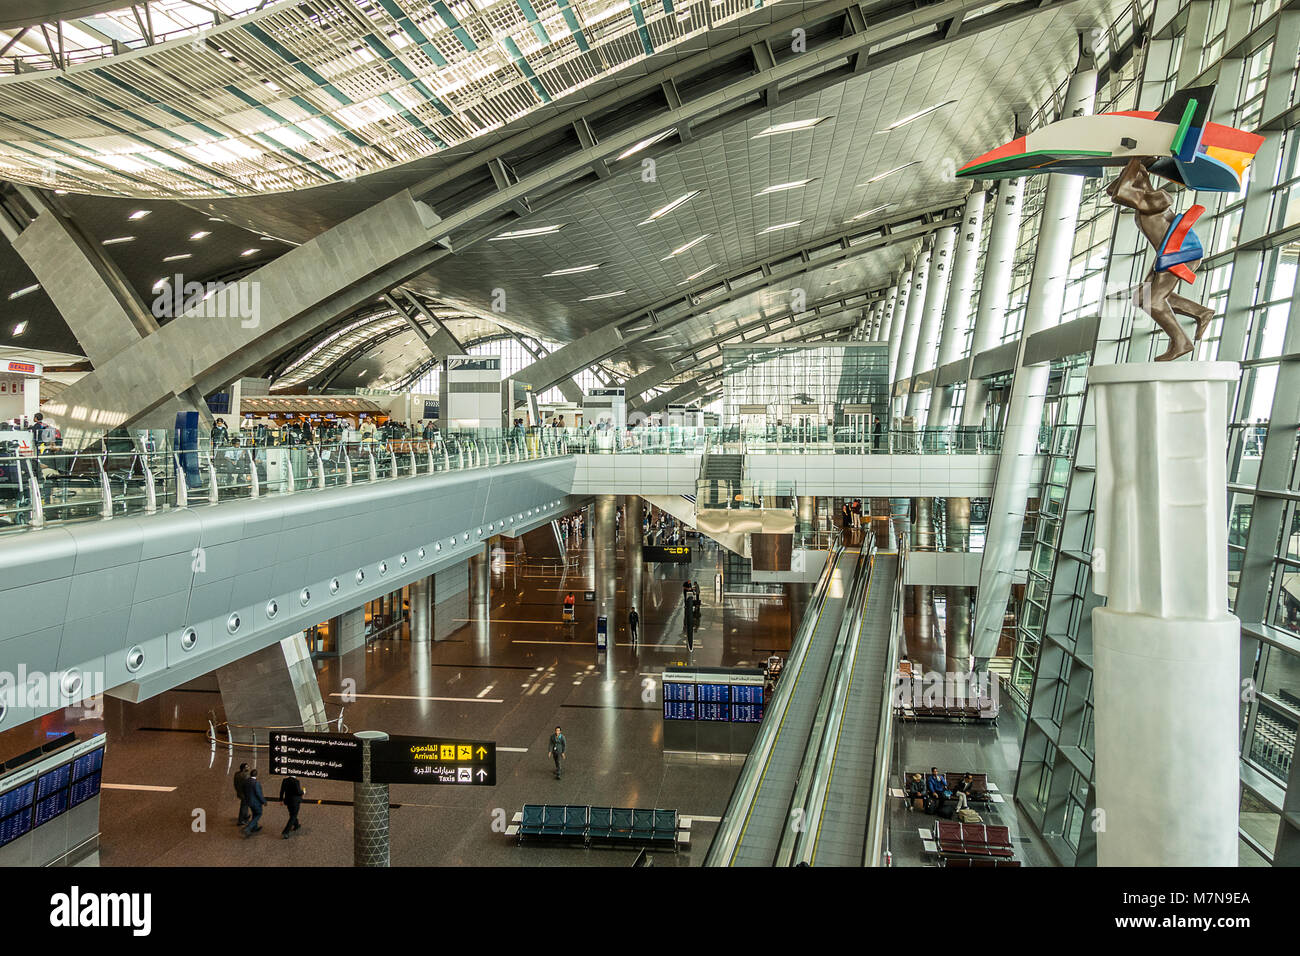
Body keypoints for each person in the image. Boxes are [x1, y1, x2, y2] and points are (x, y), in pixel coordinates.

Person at [242, 768, 266, 836]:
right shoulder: (256, 783)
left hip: (248, 802)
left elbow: (243, 790)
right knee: (259, 814)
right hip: (256, 802)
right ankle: (248, 828)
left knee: (254, 814)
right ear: (256, 775)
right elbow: (259, 794)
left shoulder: (246, 781)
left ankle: (254, 827)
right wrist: (263, 801)